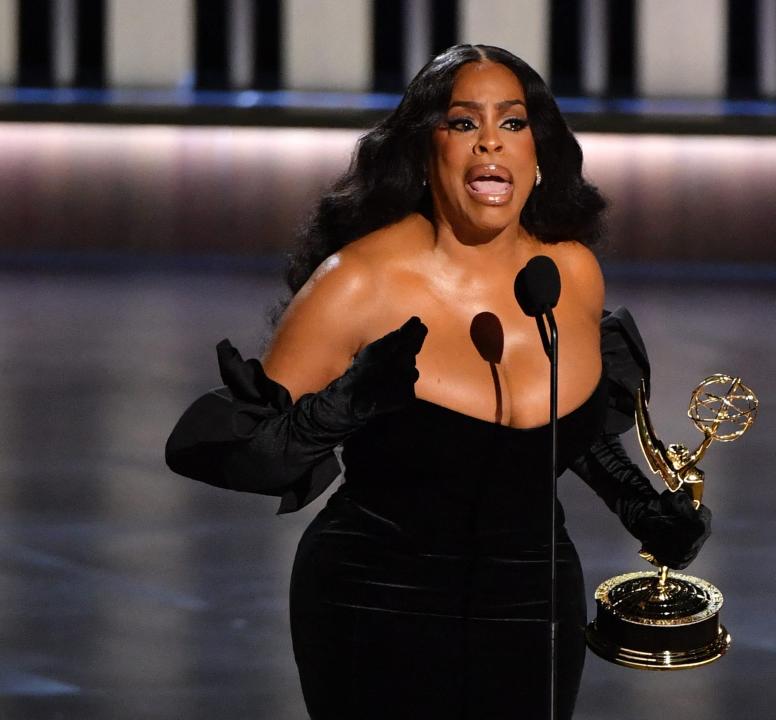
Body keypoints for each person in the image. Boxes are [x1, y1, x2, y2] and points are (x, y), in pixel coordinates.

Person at [165, 44, 711, 720]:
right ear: (425, 153)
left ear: (539, 153)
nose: (490, 141)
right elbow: (239, 449)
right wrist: (344, 405)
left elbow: (558, 424)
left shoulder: (568, 273)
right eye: (462, 123)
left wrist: (638, 502)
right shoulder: (359, 282)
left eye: (513, 123)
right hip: (377, 598)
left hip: (533, 601)